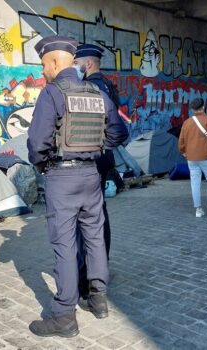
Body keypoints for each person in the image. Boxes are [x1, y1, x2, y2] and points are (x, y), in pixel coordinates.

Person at [27, 35, 128, 338]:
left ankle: (64, 316)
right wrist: (97, 149)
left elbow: (36, 144)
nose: (43, 70)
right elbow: (119, 132)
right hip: (90, 176)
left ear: (56, 62)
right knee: (95, 238)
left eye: (44, 64)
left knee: (65, 245)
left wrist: (45, 164)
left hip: (61, 177)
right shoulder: (96, 92)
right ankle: (98, 300)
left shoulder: (52, 93)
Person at [73, 43, 128, 298]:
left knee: (88, 220)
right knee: (98, 214)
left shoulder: (91, 87)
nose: (75, 68)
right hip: (104, 159)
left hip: (92, 160)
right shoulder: (108, 85)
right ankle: (100, 265)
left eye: (77, 63)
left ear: (88, 63)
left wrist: (98, 147)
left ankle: (89, 274)